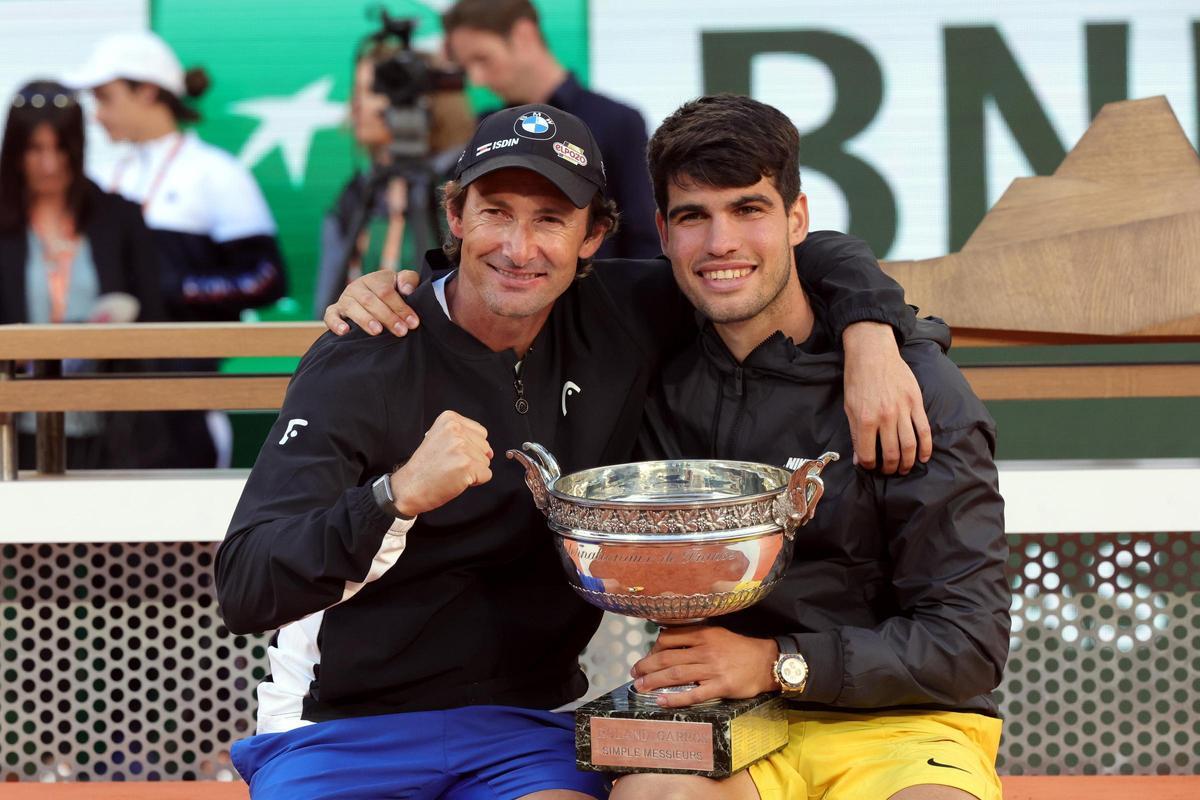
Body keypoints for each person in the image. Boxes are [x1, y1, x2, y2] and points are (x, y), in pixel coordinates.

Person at [219, 103, 927, 799]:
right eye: (496, 212)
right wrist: (394, 497)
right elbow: (247, 584)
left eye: (551, 219)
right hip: (340, 728)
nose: (520, 248)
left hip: (526, 726)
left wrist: (869, 329)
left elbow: (787, 255)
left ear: (595, 235)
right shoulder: (368, 353)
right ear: (455, 216)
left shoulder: (625, 311)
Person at [611, 95, 1009, 800]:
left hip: (903, 727)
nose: (720, 243)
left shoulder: (912, 390)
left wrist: (775, 662)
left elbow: (967, 645)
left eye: (748, 209)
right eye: (693, 216)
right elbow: (505, 288)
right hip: (728, 722)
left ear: (797, 218)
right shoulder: (648, 354)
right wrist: (381, 294)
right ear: (662, 232)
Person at [65, 31, 288, 467]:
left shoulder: (216, 174)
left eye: (105, 98)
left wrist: (168, 289)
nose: (97, 115)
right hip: (98, 399)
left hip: (185, 399)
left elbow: (266, 277)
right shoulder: (104, 178)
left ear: (147, 92)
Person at [0, 79, 168, 469]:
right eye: (35, 149)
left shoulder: (119, 218)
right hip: (14, 433)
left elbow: (156, 324)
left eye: (61, 148)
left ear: (78, 147)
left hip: (112, 432)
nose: (50, 164)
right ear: (14, 152)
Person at [442, 0, 660, 260]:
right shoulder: (484, 127)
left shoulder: (617, 120)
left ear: (523, 35)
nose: (476, 79)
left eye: (482, 58)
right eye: (467, 68)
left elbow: (641, 235)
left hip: (599, 293)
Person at [313, 37, 476, 316]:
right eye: (356, 91)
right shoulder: (356, 194)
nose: (355, 106)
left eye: (373, 90)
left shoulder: (460, 185)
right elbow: (325, 307)